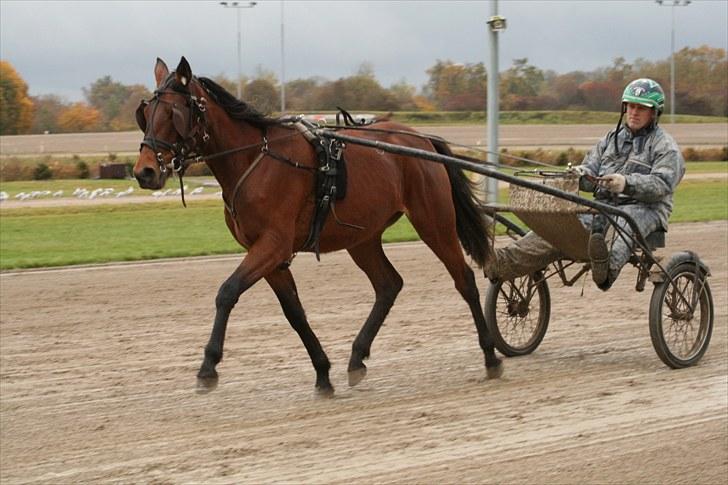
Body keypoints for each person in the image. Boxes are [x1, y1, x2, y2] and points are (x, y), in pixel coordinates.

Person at [484, 78, 685, 290]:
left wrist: (626, 183)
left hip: (647, 209)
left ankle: (605, 271)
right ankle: (502, 262)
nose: (634, 112)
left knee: (624, 222)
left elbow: (663, 184)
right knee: (561, 224)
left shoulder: (665, 146)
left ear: (654, 112)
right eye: (631, 106)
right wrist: (580, 175)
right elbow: (590, 171)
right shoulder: (610, 139)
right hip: (604, 208)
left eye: (641, 108)